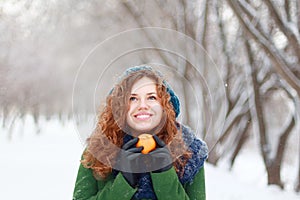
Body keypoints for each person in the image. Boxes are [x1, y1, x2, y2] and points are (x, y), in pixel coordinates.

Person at [73, 65, 208, 200]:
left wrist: (165, 175)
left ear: (165, 106)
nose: (142, 105)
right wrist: (123, 182)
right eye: (133, 98)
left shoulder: (190, 152)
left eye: (152, 97)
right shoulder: (98, 149)